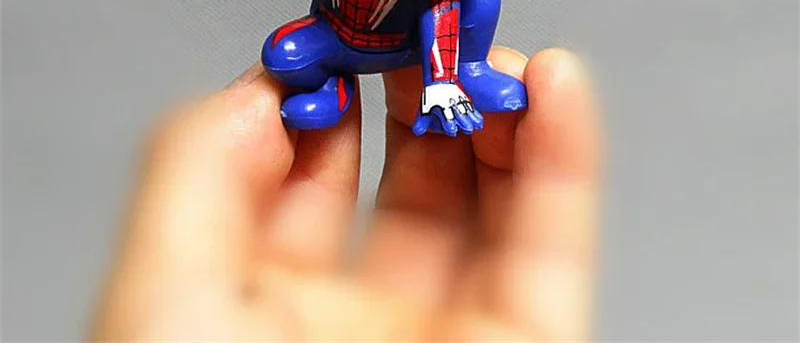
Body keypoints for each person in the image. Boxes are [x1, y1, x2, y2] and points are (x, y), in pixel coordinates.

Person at [90, 46, 601, 342]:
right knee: (286, 55)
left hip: (422, 54)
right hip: (338, 38)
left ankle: (459, 73)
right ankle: (331, 86)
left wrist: (453, 74)